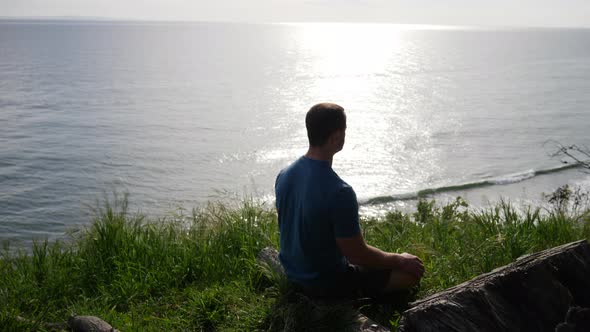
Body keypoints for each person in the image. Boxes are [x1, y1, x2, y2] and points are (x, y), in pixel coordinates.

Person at [274, 102, 424, 299]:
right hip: (325, 284)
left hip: (292, 273)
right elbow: (357, 255)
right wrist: (400, 260)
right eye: (344, 131)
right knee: (409, 275)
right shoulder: (339, 192)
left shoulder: (284, 175)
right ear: (336, 137)